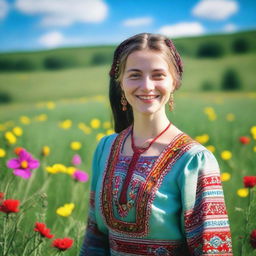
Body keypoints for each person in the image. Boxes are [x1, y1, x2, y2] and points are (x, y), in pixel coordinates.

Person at [79, 33, 233, 256]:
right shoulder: (105, 148)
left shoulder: (193, 159)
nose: (147, 86)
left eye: (158, 75)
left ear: (174, 81)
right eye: (135, 75)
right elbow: (95, 238)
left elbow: (212, 249)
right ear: (120, 82)